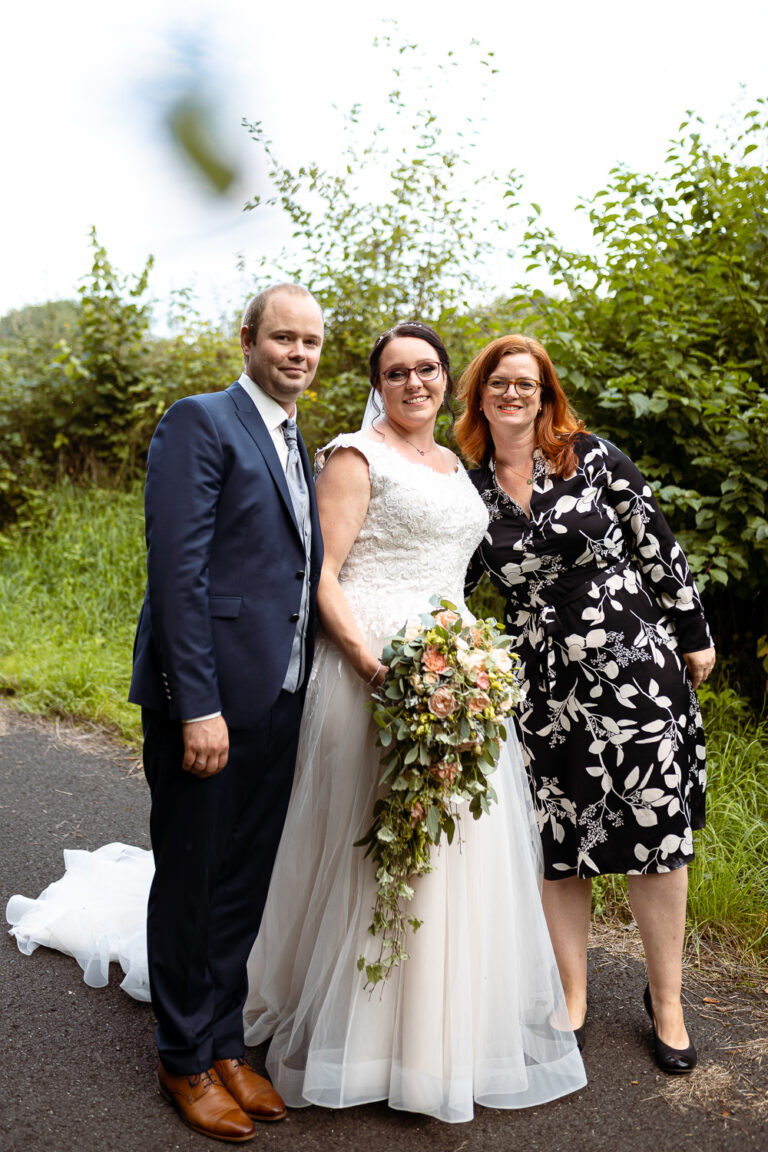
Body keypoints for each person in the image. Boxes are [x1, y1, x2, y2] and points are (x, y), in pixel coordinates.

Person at [240, 322, 586, 1122]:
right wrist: (371, 664)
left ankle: (439, 1035)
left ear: (443, 378)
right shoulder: (354, 457)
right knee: (374, 839)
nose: (415, 384)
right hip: (374, 666)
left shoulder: (453, 468)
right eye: (397, 373)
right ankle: (357, 1033)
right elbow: (320, 576)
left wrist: (464, 665)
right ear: (377, 383)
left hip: (453, 667)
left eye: (427, 369)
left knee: (454, 845)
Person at [455, 333, 715, 1075]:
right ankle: (572, 993)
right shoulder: (467, 488)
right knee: (559, 840)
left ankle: (665, 1001)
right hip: (539, 687)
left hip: (634, 666)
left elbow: (654, 539)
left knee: (655, 831)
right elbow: (450, 578)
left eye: (528, 384)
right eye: (500, 382)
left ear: (546, 394)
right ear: (479, 396)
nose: (514, 394)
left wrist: (692, 630)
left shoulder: (591, 456)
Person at [128, 283, 325, 1141]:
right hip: (209, 706)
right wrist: (194, 707)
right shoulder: (200, 421)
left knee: (244, 881)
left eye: (312, 342)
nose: (299, 354)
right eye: (283, 337)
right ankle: (181, 1058)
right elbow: (178, 577)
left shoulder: (296, 438)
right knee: (192, 879)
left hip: (280, 697)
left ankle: (224, 1043)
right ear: (247, 338)